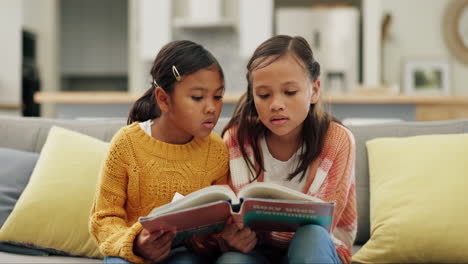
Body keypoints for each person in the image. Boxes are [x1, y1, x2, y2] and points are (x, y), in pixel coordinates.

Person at [218, 35, 357, 264]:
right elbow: (229, 219)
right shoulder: (236, 140)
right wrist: (230, 238)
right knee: (231, 261)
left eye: (290, 92)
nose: (276, 104)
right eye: (263, 95)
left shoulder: (338, 141)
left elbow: (323, 224)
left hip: (319, 246)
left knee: (311, 235)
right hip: (256, 250)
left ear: (314, 90)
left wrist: (263, 229)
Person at [89, 40, 229, 264]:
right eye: (197, 97)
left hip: (184, 255)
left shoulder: (217, 150)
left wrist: (206, 240)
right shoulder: (126, 144)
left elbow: (219, 222)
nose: (212, 107)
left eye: (218, 96)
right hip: (130, 253)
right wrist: (136, 244)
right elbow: (103, 218)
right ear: (164, 99)